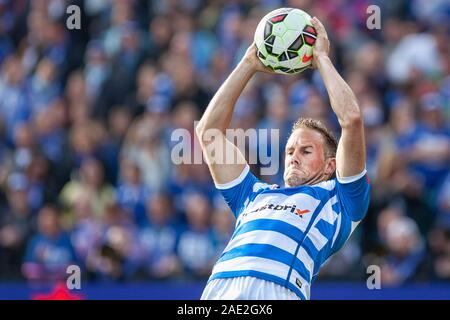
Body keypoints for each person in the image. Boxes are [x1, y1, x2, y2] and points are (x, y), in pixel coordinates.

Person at [196, 17, 370, 300]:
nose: (293, 157)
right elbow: (209, 133)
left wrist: (322, 58)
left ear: (330, 165)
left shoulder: (341, 199)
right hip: (220, 289)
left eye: (305, 150)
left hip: (279, 290)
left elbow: (351, 118)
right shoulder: (253, 194)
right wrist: (249, 63)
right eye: (290, 151)